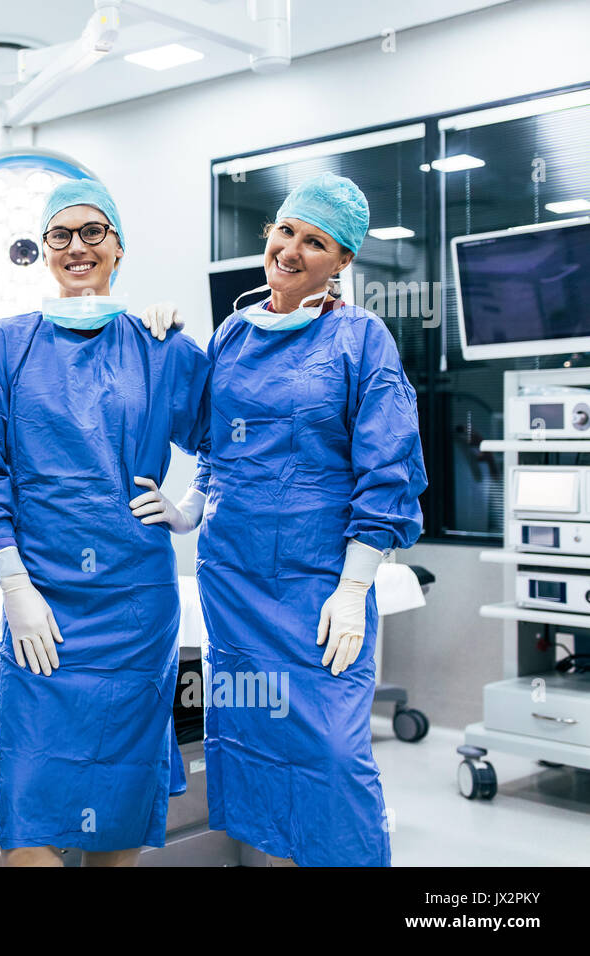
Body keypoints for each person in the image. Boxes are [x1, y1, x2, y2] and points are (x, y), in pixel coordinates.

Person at [141, 173, 428, 866]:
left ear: (343, 263)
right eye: (286, 231)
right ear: (268, 234)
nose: (292, 249)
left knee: (331, 753)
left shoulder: (361, 339)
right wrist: (188, 511)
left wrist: (356, 587)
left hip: (320, 584)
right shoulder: (234, 333)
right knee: (254, 740)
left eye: (316, 241)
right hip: (235, 578)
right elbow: (215, 444)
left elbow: (389, 466)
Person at [0, 179, 212, 867]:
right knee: (32, 796)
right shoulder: (3, 350)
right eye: (59, 235)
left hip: (134, 607)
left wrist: (190, 510)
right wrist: (14, 587)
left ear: (119, 248)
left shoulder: (162, 346)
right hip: (41, 600)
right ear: (43, 252)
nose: (76, 246)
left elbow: (234, 444)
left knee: (120, 797)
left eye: (93, 231)